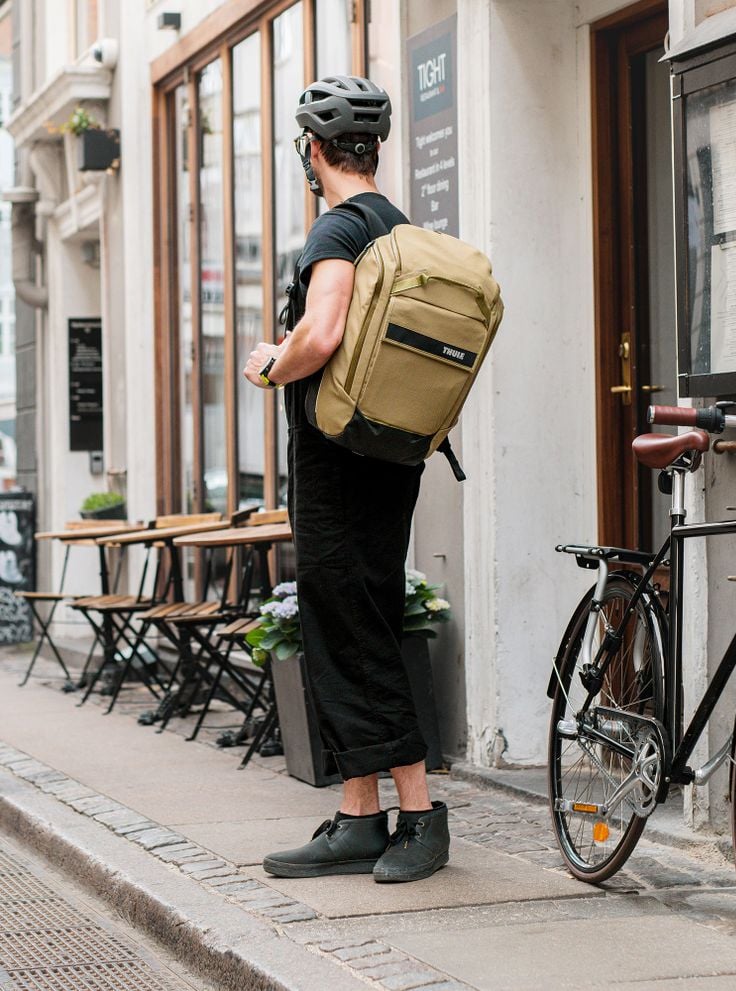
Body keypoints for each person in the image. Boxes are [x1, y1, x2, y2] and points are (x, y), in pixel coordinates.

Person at [242, 76, 448, 884]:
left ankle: (421, 814)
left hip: (337, 463)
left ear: (316, 151)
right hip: (387, 456)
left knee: (354, 625)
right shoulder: (394, 226)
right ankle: (360, 816)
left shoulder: (335, 229)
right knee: (353, 616)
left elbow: (322, 333)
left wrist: (270, 363)